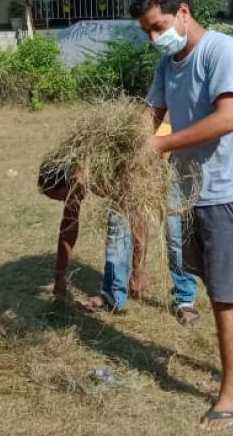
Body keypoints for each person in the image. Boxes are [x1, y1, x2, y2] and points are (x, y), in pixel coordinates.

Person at [131, 0, 233, 431]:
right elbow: (151, 115)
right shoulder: (170, 62)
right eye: (147, 32)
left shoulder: (225, 53)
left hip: (230, 189)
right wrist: (128, 147)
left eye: (159, 26)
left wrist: (160, 147)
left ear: (183, 13)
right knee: (207, 277)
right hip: (192, 189)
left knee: (227, 297)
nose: (155, 38)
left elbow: (227, 118)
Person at [38, 130, 199, 324]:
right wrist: (59, 277)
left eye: (64, 197)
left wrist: (138, 270)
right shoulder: (78, 170)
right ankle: (113, 296)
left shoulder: (112, 167)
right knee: (116, 229)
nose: (68, 202)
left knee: (174, 231)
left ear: (71, 179)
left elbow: (137, 219)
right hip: (136, 167)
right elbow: (68, 228)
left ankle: (185, 300)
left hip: (172, 153)